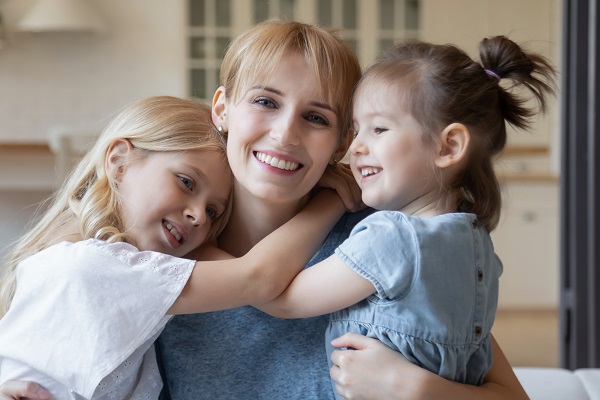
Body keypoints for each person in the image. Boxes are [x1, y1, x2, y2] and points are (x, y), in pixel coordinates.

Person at [0, 20, 537, 400]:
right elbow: (47, 327)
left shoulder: (378, 245)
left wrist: (416, 389)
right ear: (223, 109)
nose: (285, 133)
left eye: (317, 117)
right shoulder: (160, 246)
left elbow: (506, 393)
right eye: (265, 101)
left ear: (343, 141)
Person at [253, 35, 557, 398]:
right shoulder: (479, 251)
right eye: (356, 129)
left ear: (448, 146)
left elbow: (283, 299)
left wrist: (204, 259)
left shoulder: (391, 238)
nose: (355, 147)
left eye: (379, 129)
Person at [0, 96, 351, 399]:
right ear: (120, 161)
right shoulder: (97, 269)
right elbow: (259, 278)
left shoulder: (66, 257)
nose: (198, 215)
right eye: (186, 182)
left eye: (214, 211)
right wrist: (332, 198)